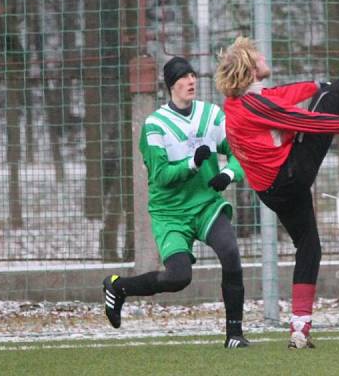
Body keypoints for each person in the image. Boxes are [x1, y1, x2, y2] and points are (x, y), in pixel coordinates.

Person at [215, 15, 339, 350]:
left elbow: (281, 94)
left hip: (272, 190)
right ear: (250, 68)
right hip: (288, 178)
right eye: (259, 57)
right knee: (328, 106)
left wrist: (316, 85)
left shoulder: (240, 100)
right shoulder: (256, 106)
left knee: (310, 246)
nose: (264, 58)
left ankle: (300, 329)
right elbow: (309, 120)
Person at [102, 57, 249, 349]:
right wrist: (192, 165)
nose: (191, 80)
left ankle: (234, 334)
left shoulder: (211, 114)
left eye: (193, 75)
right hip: (170, 212)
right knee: (178, 278)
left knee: (231, 252)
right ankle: (118, 287)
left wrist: (228, 174)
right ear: (171, 85)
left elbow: (240, 152)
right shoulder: (155, 125)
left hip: (206, 205)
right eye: (183, 77)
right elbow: (161, 176)